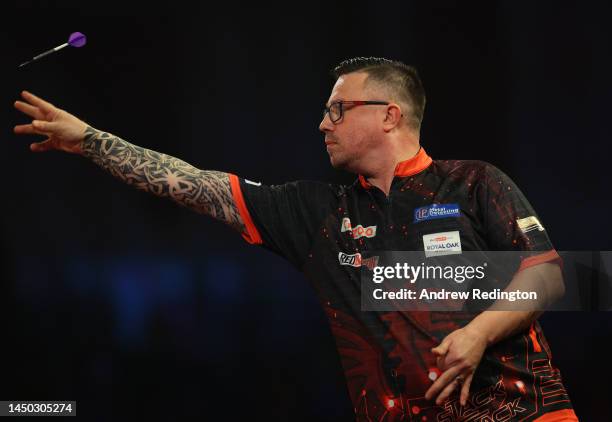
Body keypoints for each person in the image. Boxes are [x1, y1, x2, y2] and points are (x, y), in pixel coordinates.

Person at [13, 57, 578, 421]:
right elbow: (195, 185)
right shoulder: (317, 214)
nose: (322, 124)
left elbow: (550, 272)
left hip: (527, 414)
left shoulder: (476, 182)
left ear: (390, 115)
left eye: (337, 109)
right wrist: (89, 140)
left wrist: (478, 332)